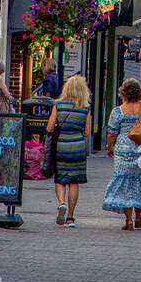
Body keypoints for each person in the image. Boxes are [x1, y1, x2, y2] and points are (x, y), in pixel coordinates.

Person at [104, 77, 141, 230]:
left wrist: (109, 147)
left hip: (123, 151)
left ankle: (128, 220)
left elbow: (111, 134)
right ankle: (139, 217)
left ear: (123, 93)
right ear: (140, 93)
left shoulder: (118, 111)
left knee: (125, 185)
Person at [46, 74, 92, 227]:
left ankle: (61, 203)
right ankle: (71, 217)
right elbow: (87, 132)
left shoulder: (58, 104)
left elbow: (49, 127)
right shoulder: (85, 107)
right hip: (78, 146)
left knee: (61, 179)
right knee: (74, 182)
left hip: (62, 145)